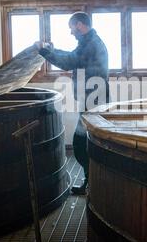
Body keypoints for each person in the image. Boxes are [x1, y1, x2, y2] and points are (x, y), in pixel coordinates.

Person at [33, 12, 109, 195]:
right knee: (86, 144)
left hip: (94, 103)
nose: (71, 32)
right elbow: (72, 56)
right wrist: (52, 49)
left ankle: (94, 182)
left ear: (80, 25)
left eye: (72, 28)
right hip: (92, 101)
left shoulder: (91, 45)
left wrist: (45, 52)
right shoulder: (89, 43)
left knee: (80, 145)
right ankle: (92, 181)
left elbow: (69, 62)